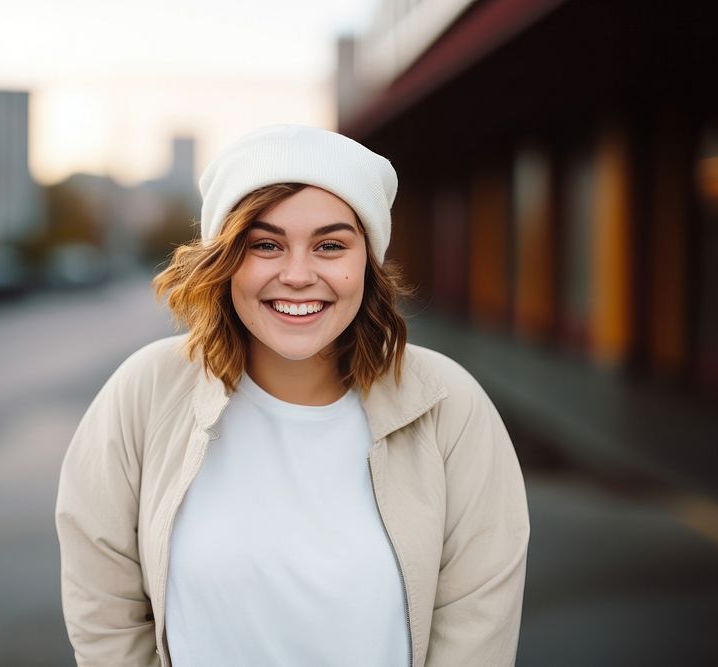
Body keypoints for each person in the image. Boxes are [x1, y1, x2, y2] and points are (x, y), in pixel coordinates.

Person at [55, 125, 530, 666]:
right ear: (226, 258)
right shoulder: (143, 393)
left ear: (367, 261)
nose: (298, 275)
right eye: (266, 245)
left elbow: (477, 627)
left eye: (330, 245)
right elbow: (104, 610)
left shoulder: (450, 405)